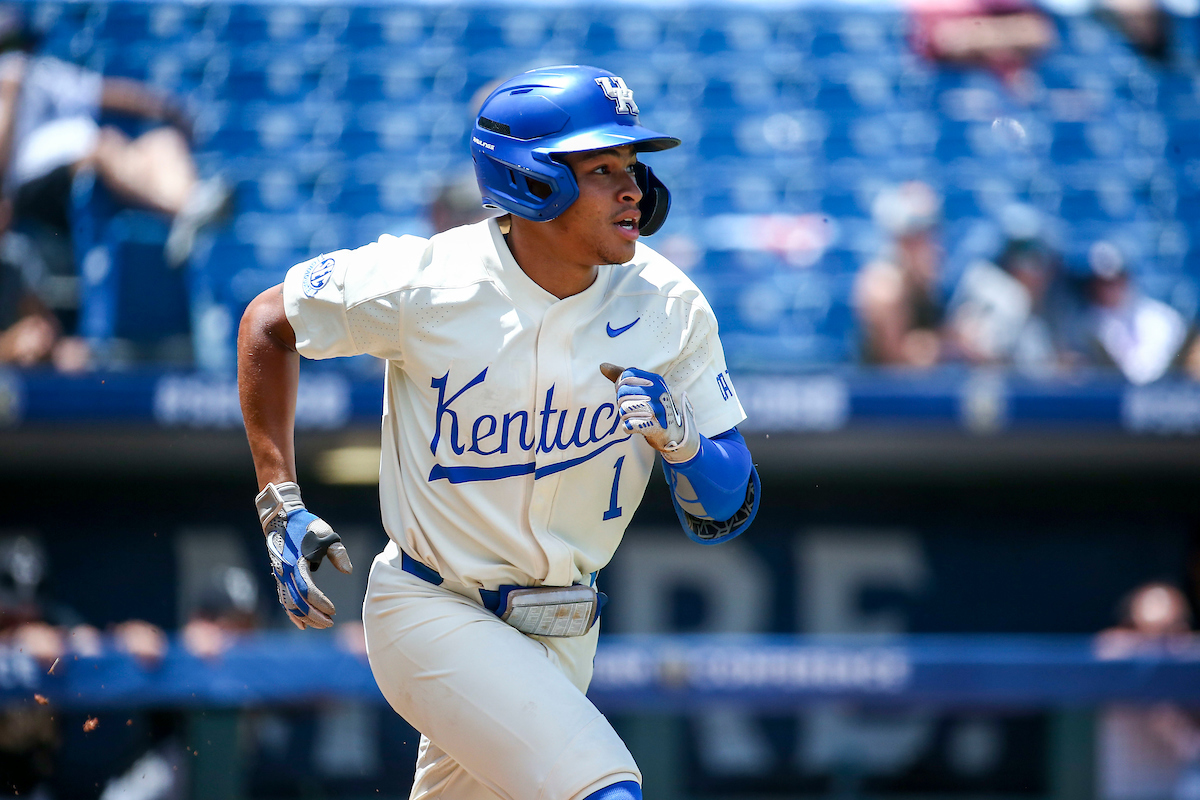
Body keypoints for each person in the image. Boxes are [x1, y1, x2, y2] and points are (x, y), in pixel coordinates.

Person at [237, 65, 760, 800]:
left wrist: (686, 447)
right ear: (531, 180)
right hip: (431, 608)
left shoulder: (669, 305)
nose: (634, 188)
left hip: (565, 628)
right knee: (607, 788)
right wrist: (278, 500)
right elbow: (269, 322)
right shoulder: (427, 280)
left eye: (633, 167)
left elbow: (731, 501)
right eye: (603, 168)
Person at [0, 7, 232, 269]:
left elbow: (103, 92)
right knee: (104, 146)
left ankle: (190, 204)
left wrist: (168, 107)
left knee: (162, 140)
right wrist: (9, 97)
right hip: (28, 187)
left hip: (74, 161)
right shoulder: (9, 85)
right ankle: (187, 211)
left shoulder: (40, 73)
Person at [854, 181, 947, 367]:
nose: (927, 242)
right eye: (917, 234)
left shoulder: (923, 277)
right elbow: (894, 359)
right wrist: (953, 346)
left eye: (930, 231)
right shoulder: (884, 286)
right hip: (880, 392)